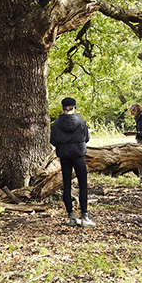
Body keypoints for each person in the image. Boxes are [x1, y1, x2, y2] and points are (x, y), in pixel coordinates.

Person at [50, 97, 95, 228]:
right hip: (79, 155)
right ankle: (85, 216)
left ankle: (71, 216)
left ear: (62, 107)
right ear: (74, 107)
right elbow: (86, 138)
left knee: (67, 186)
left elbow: (53, 140)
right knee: (83, 185)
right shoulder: (80, 121)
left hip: (64, 156)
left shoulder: (57, 124)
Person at [124, 103, 142, 185]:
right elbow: (139, 130)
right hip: (140, 139)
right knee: (139, 160)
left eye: (133, 110)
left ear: (138, 109)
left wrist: (133, 134)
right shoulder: (137, 117)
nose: (132, 112)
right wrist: (135, 132)